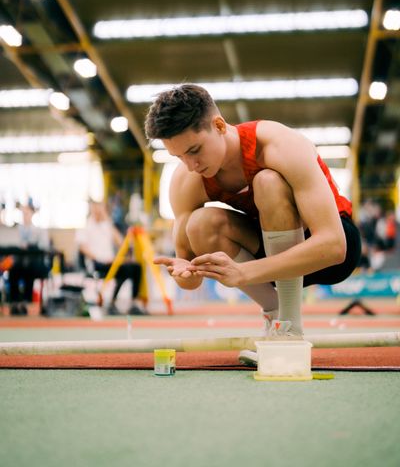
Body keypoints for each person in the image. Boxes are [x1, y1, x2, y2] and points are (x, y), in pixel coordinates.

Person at [146, 83, 362, 338]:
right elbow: (191, 280)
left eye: (195, 150)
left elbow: (334, 247)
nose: (191, 166)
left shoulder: (279, 145)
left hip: (329, 252)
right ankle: (276, 313)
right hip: (269, 261)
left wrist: (244, 272)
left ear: (219, 126)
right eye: (179, 157)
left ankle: (289, 329)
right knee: (199, 224)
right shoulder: (186, 182)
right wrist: (184, 272)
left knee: (267, 182)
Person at [76, 201, 146, 315]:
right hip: (97, 263)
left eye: (101, 208)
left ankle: (132, 302)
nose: (98, 210)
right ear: (91, 209)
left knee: (135, 267)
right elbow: (83, 248)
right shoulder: (86, 227)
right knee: (125, 270)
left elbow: (122, 243)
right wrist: (100, 258)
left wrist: (108, 221)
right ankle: (112, 302)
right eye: (96, 207)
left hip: (112, 262)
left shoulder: (107, 225)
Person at [8, 204, 51, 315]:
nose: (25, 216)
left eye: (27, 213)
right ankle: (15, 302)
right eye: (23, 213)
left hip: (34, 264)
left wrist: (31, 246)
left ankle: (26, 302)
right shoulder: (16, 230)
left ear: (32, 214)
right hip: (19, 263)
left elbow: (44, 247)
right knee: (13, 270)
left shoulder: (39, 231)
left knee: (29, 269)